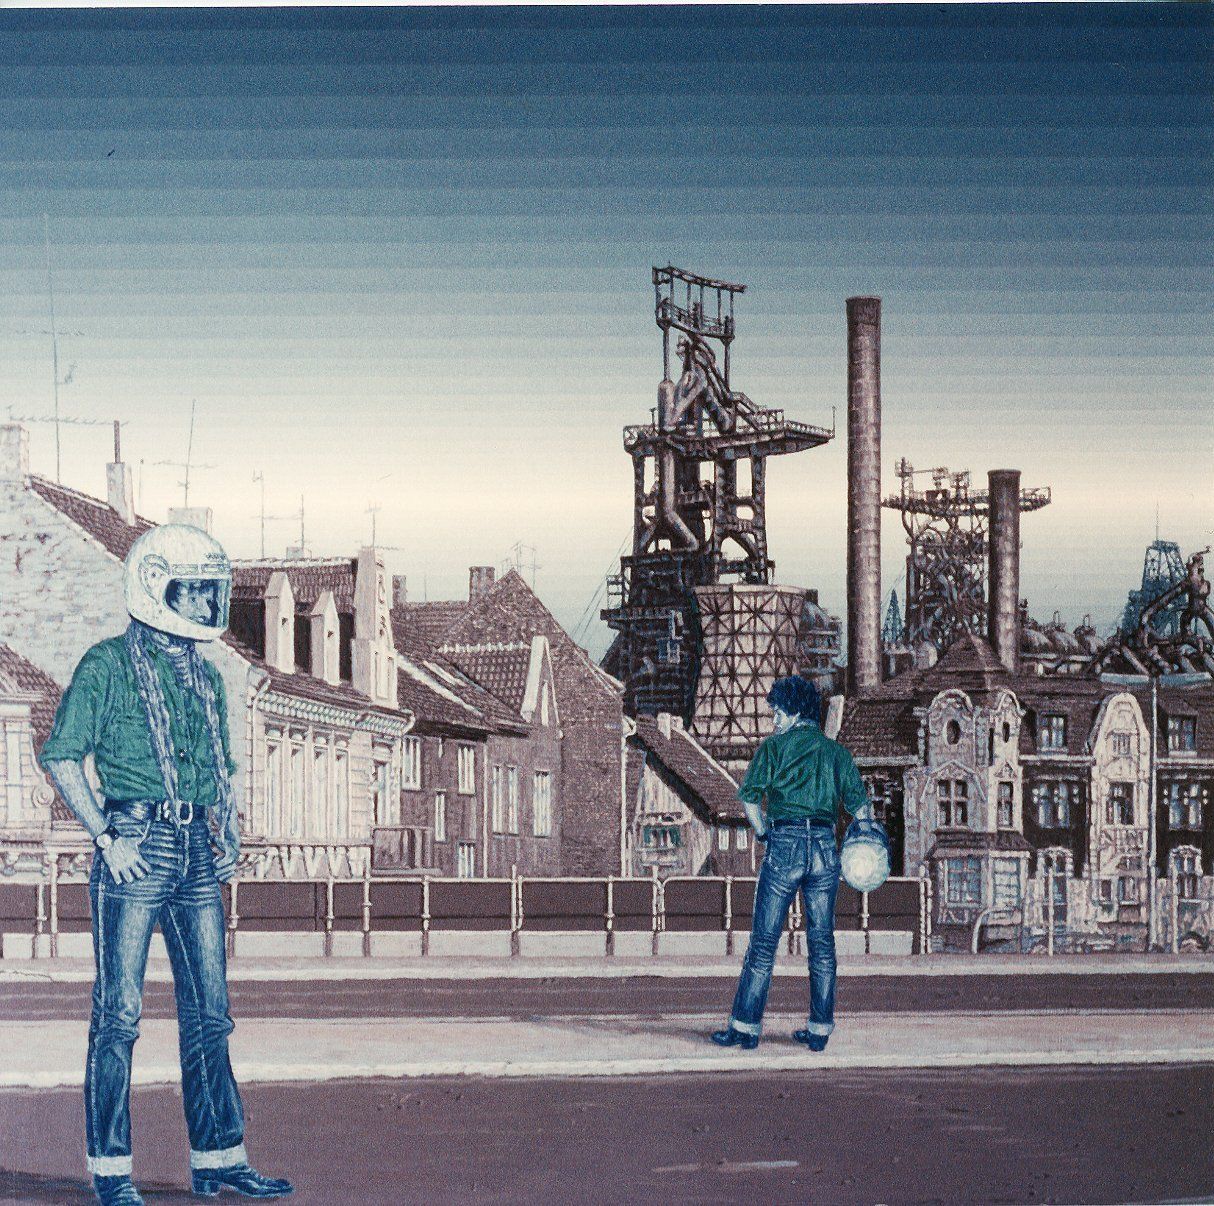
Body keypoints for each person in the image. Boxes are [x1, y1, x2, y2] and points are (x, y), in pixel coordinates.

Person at [40, 524, 293, 1206]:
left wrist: (226, 823)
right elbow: (61, 756)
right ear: (155, 588)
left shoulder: (207, 676)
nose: (209, 606)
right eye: (195, 592)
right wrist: (105, 837)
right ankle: (111, 1171)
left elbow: (220, 765)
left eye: (213, 592)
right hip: (134, 844)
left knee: (211, 1013)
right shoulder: (106, 665)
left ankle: (219, 1159)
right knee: (118, 1015)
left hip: (195, 850)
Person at [711, 675, 872, 1052]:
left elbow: (750, 799)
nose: (774, 721)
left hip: (784, 843)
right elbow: (861, 810)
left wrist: (763, 831)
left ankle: (745, 1027)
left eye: (778, 713)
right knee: (822, 942)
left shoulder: (773, 748)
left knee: (764, 941)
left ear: (796, 712)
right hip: (824, 847)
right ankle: (819, 1029)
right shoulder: (836, 753)